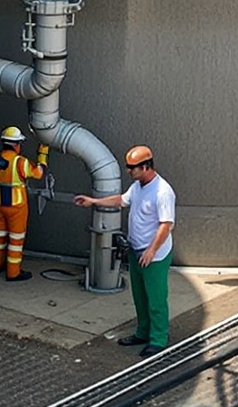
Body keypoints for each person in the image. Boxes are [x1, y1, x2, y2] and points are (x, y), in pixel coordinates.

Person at [75, 145, 175, 355]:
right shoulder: (138, 186)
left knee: (156, 298)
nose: (128, 171)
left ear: (145, 166)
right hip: (137, 250)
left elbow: (166, 225)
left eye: (132, 167)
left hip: (154, 255)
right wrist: (94, 201)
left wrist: (151, 251)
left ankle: (158, 339)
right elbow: (121, 200)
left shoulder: (163, 191)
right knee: (140, 296)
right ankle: (143, 332)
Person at [0, 125, 48, 281]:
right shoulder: (20, 163)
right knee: (15, 240)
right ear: (16, 145)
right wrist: (42, 155)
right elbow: (39, 173)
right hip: (16, 208)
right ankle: (13, 272)